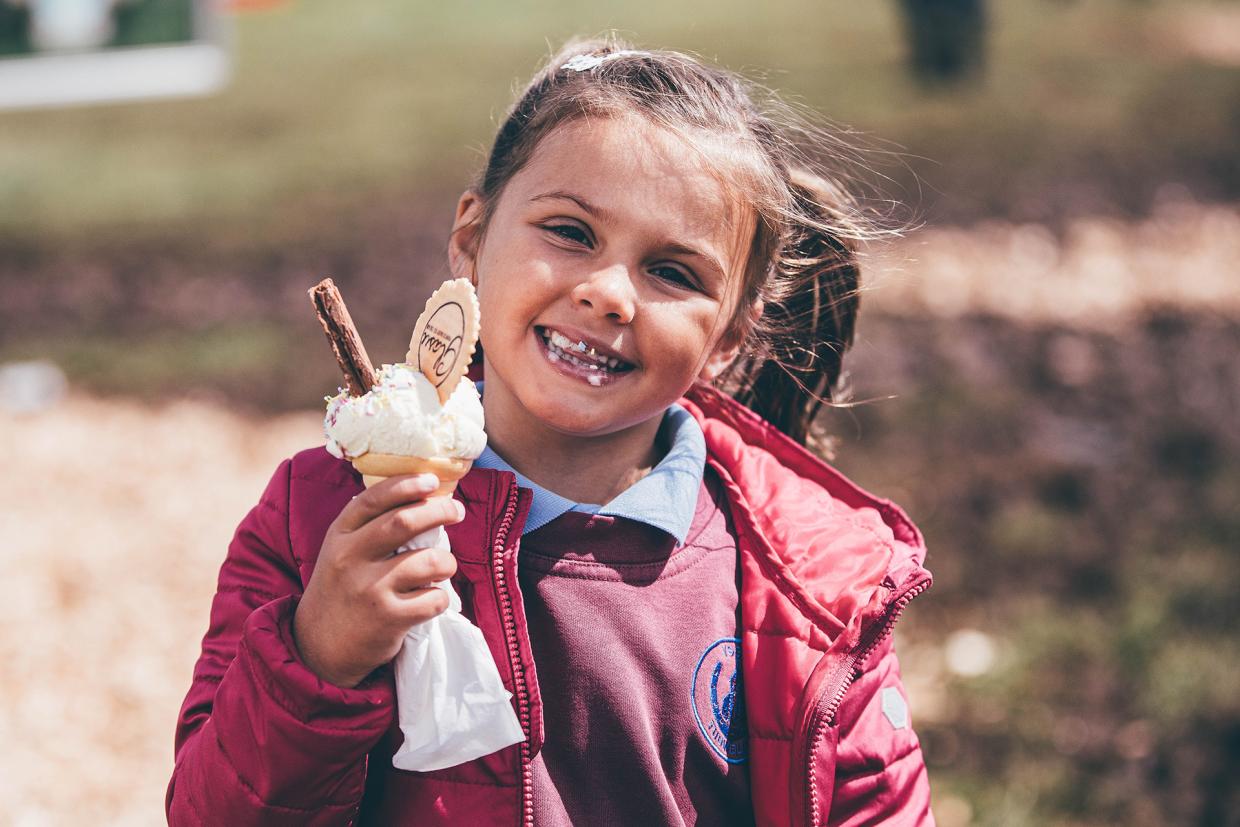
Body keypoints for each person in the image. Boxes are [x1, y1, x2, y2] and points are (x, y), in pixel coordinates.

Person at [167, 37, 934, 826]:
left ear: (731, 335)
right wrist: (319, 655)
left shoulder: (810, 586)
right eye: (570, 231)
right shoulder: (319, 514)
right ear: (471, 239)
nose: (607, 293)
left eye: (672, 272)